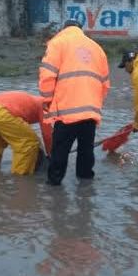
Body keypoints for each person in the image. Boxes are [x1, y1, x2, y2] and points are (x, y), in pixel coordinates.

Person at [39, 19, 110, 185]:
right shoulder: (97, 48)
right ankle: (85, 185)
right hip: (90, 111)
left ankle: (54, 185)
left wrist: (46, 100)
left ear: (64, 29)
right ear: (80, 29)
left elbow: (47, 75)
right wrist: (95, 105)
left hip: (66, 110)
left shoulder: (58, 43)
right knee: (86, 149)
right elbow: (105, 84)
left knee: (60, 150)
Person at [0, 91, 52, 175]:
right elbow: (47, 134)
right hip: (2, 112)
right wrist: (50, 154)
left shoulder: (34, 101)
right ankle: (19, 177)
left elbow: (21, 127)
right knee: (28, 143)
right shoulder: (46, 106)